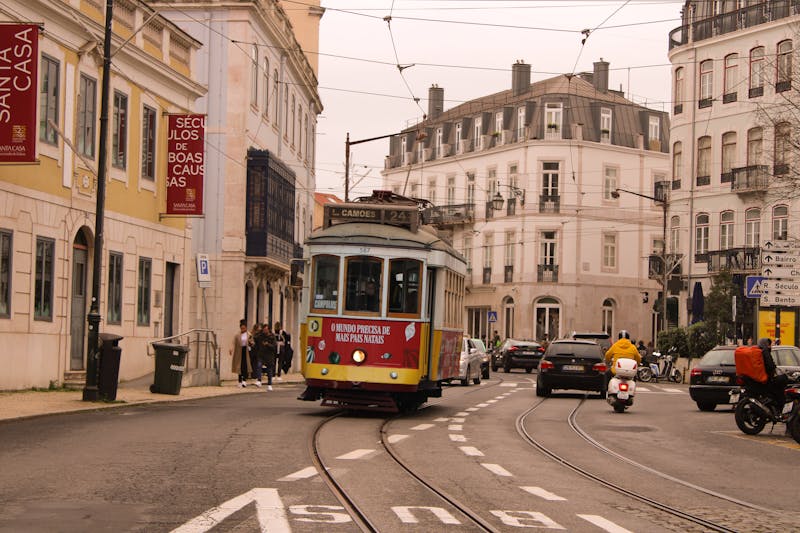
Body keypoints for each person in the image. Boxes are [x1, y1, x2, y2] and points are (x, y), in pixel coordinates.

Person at [756, 337, 790, 416]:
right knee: (782, 382)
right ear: (765, 344)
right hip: (768, 379)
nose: (770, 346)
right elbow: (770, 365)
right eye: (768, 344)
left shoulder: (758, 352)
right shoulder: (765, 352)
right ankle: (781, 409)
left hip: (762, 379)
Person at [229, 319, 253, 388]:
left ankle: (244, 380)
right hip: (239, 351)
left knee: (245, 365)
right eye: (242, 328)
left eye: (244, 328)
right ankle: (239, 381)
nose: (243, 329)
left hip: (246, 351)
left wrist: (251, 343)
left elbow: (252, 342)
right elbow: (233, 342)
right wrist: (231, 349)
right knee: (239, 366)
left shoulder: (249, 334)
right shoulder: (237, 335)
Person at [257, 323, 278, 391]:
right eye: (264, 330)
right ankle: (259, 380)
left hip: (269, 355)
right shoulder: (261, 336)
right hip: (261, 354)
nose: (265, 331)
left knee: (269, 370)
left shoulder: (272, 337)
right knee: (259, 365)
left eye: (266, 330)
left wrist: (267, 344)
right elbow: (256, 341)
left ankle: (269, 384)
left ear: (268, 330)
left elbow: (274, 346)